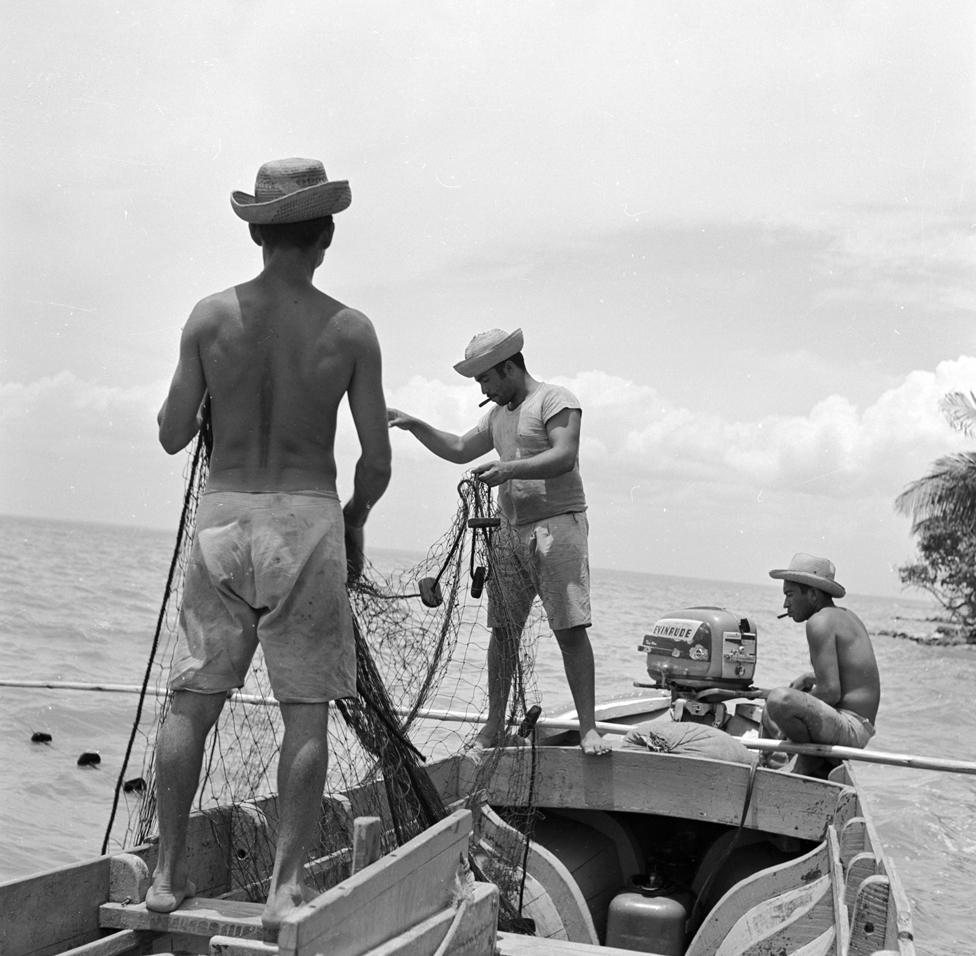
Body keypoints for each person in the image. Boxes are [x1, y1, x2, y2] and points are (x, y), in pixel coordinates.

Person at [148, 158, 392, 933]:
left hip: (223, 517)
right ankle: (285, 888)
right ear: (324, 236)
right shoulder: (350, 328)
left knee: (193, 699)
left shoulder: (208, 317)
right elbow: (377, 458)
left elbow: (170, 433)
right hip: (306, 519)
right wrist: (354, 518)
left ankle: (163, 875)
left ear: (256, 232)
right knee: (305, 714)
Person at [387, 328, 610, 756]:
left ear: (510, 367)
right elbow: (456, 448)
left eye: (487, 379)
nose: (484, 389)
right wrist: (414, 424)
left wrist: (509, 470)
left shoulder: (554, 399)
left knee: (570, 630)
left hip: (556, 527)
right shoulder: (496, 416)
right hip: (510, 531)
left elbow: (564, 456)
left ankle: (588, 729)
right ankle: (493, 724)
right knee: (503, 631)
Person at [763, 553, 880, 777]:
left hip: (852, 728)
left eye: (790, 595)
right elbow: (851, 674)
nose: (785, 604)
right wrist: (809, 678)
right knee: (770, 708)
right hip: (857, 725)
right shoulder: (844, 616)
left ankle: (809, 762)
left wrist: (784, 704)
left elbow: (831, 692)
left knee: (779, 700)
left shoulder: (819, 622)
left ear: (813, 594)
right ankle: (798, 761)